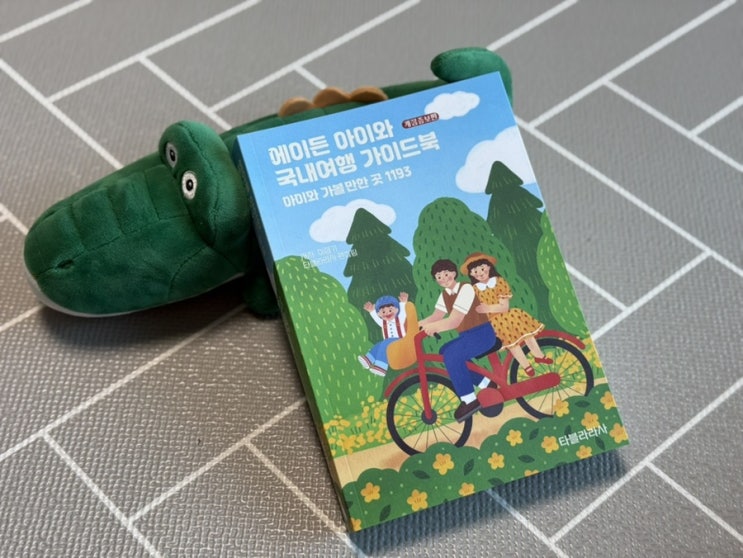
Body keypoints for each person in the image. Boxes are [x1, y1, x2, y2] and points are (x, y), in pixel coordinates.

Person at [418, 259, 499, 422]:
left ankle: (469, 400)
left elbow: (454, 321)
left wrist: (434, 328)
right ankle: (486, 383)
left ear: (454, 273)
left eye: (446, 274)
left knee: (452, 355)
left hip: (482, 334)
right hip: (467, 336)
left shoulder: (465, 288)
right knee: (444, 351)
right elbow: (436, 316)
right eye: (438, 277)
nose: (443, 279)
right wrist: (416, 326)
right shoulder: (445, 294)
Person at [462, 252, 552, 377]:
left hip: (509, 316)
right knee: (512, 344)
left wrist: (488, 308)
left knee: (528, 335)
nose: (480, 273)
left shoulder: (498, 281)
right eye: (475, 271)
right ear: (471, 274)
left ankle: (539, 356)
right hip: (493, 322)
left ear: (488, 267)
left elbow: (504, 307)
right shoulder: (475, 289)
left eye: (482, 269)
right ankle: (526, 366)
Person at [358, 293, 408, 376]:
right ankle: (369, 359)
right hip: (390, 345)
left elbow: (403, 313)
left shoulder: (400, 319)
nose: (387, 313)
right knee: (379, 344)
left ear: (396, 309)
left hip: (401, 342)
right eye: (383, 312)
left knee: (384, 343)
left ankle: (381, 367)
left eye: (390, 310)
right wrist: (371, 311)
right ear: (379, 314)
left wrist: (403, 303)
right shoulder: (383, 323)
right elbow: (376, 319)